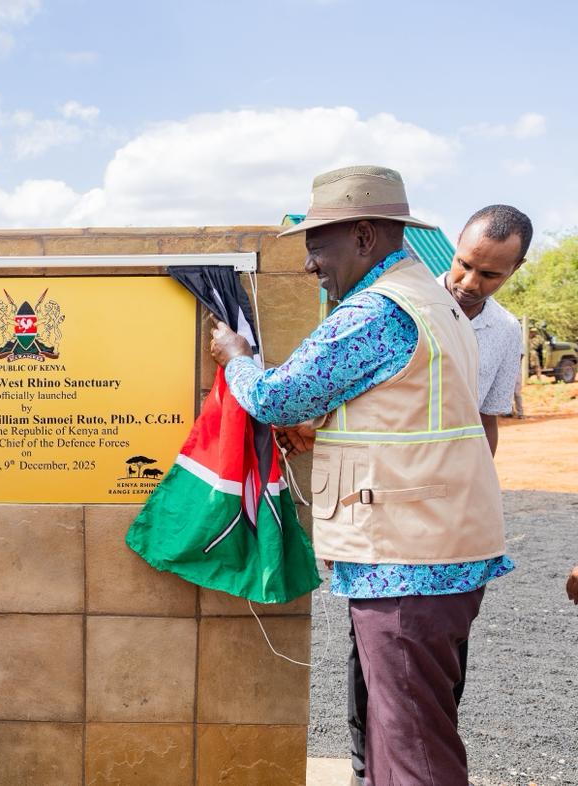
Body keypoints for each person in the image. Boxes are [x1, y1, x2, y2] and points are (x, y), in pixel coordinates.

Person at [210, 166, 510, 785]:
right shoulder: (429, 299)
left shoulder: (376, 311)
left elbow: (276, 398)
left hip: (407, 562)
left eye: (319, 246)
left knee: (412, 748)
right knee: (403, 736)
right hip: (435, 549)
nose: (311, 264)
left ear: (365, 236)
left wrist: (239, 358)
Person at [441, 205, 533, 452]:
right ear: (459, 240)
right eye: (464, 264)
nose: (470, 283)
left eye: (489, 275)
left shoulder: (507, 330)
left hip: (459, 467)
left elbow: (486, 420)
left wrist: (483, 474)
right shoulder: (406, 307)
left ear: (516, 268)